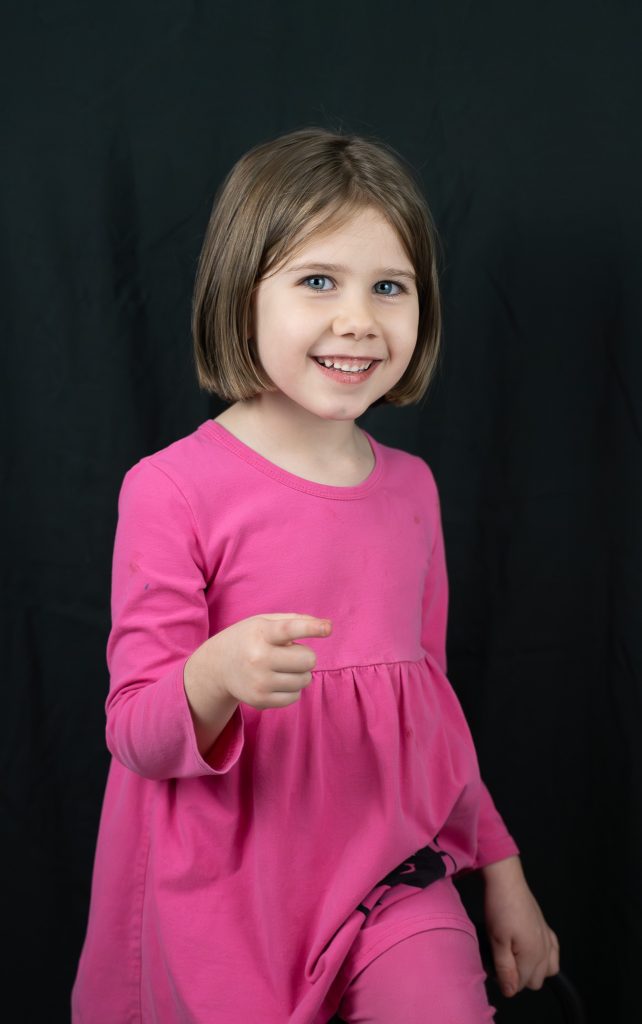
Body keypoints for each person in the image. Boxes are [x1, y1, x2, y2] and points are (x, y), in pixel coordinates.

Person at [71, 126, 560, 1024]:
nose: (358, 321)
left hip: (392, 875)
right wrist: (214, 675)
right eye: (317, 282)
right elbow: (136, 727)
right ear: (240, 294)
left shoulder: (412, 490)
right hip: (226, 900)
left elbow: (433, 708)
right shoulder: (171, 489)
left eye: (389, 287)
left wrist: (503, 868)